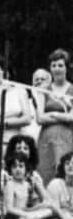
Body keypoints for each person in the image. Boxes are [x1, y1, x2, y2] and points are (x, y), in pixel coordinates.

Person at [35, 48, 73, 184]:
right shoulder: (43, 90)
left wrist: (52, 113)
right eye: (54, 65)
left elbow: (72, 118)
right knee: (45, 173)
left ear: (66, 67)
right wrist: (62, 115)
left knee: (65, 172)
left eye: (60, 65)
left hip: (67, 137)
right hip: (46, 139)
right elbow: (39, 118)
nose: (57, 69)